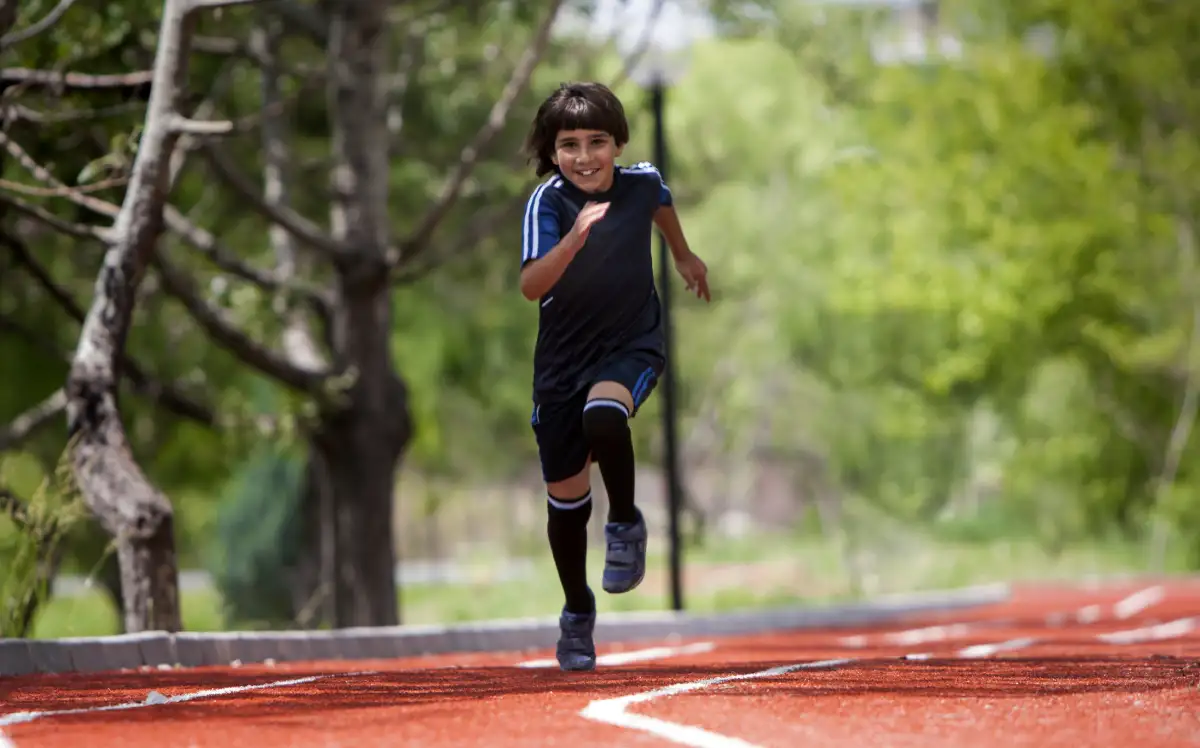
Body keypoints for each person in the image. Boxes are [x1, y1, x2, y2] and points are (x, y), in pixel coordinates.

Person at [518, 81, 711, 672]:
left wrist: (681, 253)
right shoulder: (547, 204)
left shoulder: (641, 182)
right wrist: (575, 240)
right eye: (569, 145)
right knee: (567, 506)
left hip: (632, 344)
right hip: (561, 366)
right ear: (552, 152)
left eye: (597, 142)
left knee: (604, 412)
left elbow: (660, 205)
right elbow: (530, 286)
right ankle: (577, 611)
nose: (584, 156)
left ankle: (624, 521)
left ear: (618, 143)